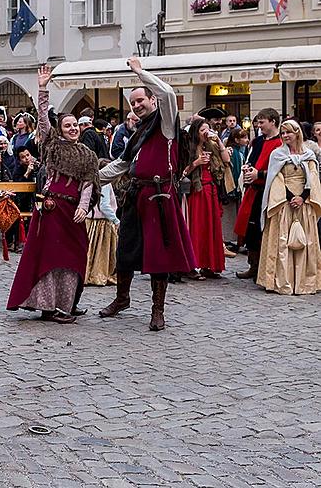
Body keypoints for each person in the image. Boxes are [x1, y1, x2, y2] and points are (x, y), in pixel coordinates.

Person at [98, 58, 196, 331]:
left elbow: (167, 93)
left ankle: (157, 310)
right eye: (133, 103)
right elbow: (122, 165)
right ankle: (122, 299)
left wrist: (140, 73)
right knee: (126, 249)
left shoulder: (165, 123)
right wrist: (92, 178)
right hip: (136, 195)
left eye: (140, 100)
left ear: (152, 100)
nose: (137, 105)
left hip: (159, 197)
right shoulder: (137, 131)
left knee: (158, 256)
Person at [7, 65, 98, 323]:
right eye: (67, 125)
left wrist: (83, 207)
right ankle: (48, 306)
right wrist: (43, 88)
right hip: (50, 209)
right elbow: (43, 119)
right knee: (48, 257)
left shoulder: (88, 155)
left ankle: (66, 303)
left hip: (73, 213)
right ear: (60, 128)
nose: (72, 128)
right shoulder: (53, 145)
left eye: (75, 125)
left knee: (73, 256)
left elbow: (89, 183)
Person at [255, 121, 321, 295]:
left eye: (288, 133)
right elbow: (275, 178)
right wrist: (291, 197)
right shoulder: (277, 154)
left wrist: (303, 198)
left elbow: (313, 179)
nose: (285, 136)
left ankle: (305, 282)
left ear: (297, 133)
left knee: (305, 242)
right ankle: (280, 281)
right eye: (283, 133)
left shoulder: (308, 154)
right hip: (284, 203)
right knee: (282, 243)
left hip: (304, 204)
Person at [233, 108, 282, 280]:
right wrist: (247, 169)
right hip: (253, 191)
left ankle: (265, 268)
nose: (259, 125)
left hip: (268, 192)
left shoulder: (280, 143)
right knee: (251, 229)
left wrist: (259, 174)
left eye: (262, 122)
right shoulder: (258, 141)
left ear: (273, 122)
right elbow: (252, 160)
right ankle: (253, 266)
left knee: (265, 230)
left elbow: (281, 171)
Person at [182, 120, 231, 278]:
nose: (206, 132)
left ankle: (209, 265)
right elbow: (182, 171)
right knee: (198, 227)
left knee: (212, 227)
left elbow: (226, 160)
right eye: (203, 129)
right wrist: (197, 162)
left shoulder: (211, 145)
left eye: (208, 129)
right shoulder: (189, 147)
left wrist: (220, 143)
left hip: (211, 188)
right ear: (196, 131)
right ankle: (192, 265)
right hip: (197, 189)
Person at [85, 160, 120, 286]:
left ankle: (89, 273)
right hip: (100, 222)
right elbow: (104, 205)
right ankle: (97, 274)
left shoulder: (94, 180)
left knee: (91, 249)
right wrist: (115, 220)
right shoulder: (104, 183)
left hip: (92, 220)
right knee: (99, 251)